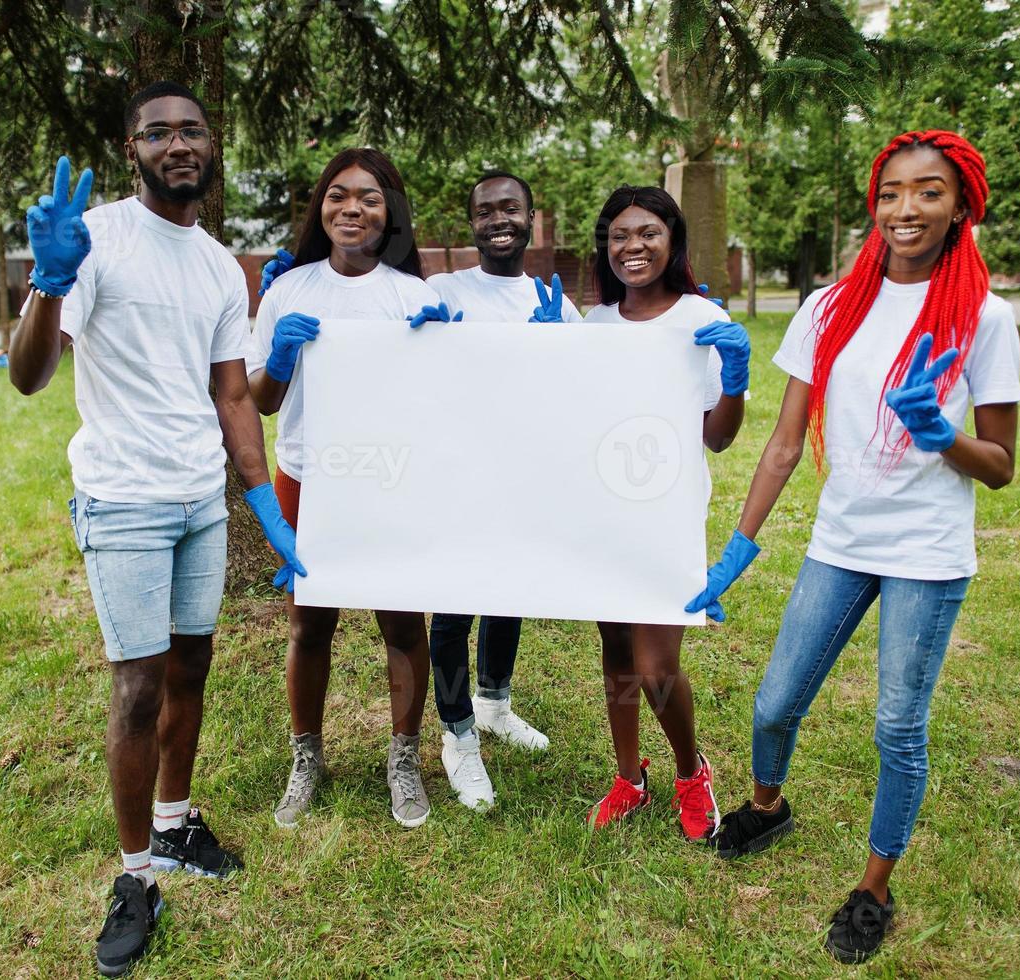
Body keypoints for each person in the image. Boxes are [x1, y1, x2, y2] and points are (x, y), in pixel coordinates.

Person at [692, 130, 1020, 964]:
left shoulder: (985, 317)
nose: (905, 209)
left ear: (959, 206)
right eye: (890, 193)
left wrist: (937, 433)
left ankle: (872, 889)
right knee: (773, 703)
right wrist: (737, 547)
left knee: (896, 730)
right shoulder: (830, 305)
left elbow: (1001, 468)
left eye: (928, 192)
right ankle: (768, 807)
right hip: (840, 542)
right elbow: (781, 444)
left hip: (927, 554)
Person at [9, 81, 305, 978]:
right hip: (124, 498)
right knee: (138, 689)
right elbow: (27, 377)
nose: (179, 144)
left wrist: (264, 510)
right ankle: (135, 876)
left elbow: (229, 396)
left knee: (192, 666)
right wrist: (47, 285)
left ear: (212, 146)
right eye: (158, 133)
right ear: (131, 147)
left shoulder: (221, 265)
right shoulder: (95, 235)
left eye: (193, 131)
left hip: (198, 502)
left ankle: (175, 826)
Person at [247, 147, 456, 831]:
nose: (351, 208)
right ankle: (306, 756)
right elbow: (260, 400)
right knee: (311, 624)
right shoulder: (287, 290)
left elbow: (445, 408)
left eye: (367, 197)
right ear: (320, 207)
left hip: (390, 480)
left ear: (389, 211)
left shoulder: (415, 295)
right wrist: (278, 355)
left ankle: (403, 757)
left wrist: (443, 350)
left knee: (401, 624)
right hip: (307, 477)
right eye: (337, 195)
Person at [581, 186, 751, 844]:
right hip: (603, 510)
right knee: (616, 653)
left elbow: (719, 436)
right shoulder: (593, 328)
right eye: (619, 235)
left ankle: (690, 770)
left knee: (656, 668)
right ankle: (628, 776)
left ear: (672, 240)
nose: (632, 247)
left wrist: (732, 375)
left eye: (646, 233)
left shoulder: (697, 319)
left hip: (665, 515)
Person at [412, 170, 582, 810]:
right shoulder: (444, 288)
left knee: (509, 591)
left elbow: (575, 395)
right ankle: (458, 740)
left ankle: (494, 706)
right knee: (454, 612)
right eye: (486, 211)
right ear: (472, 223)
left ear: (531, 218)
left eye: (511, 208)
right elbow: (415, 376)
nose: (499, 219)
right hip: (459, 477)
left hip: (526, 477)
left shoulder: (554, 300)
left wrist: (556, 349)